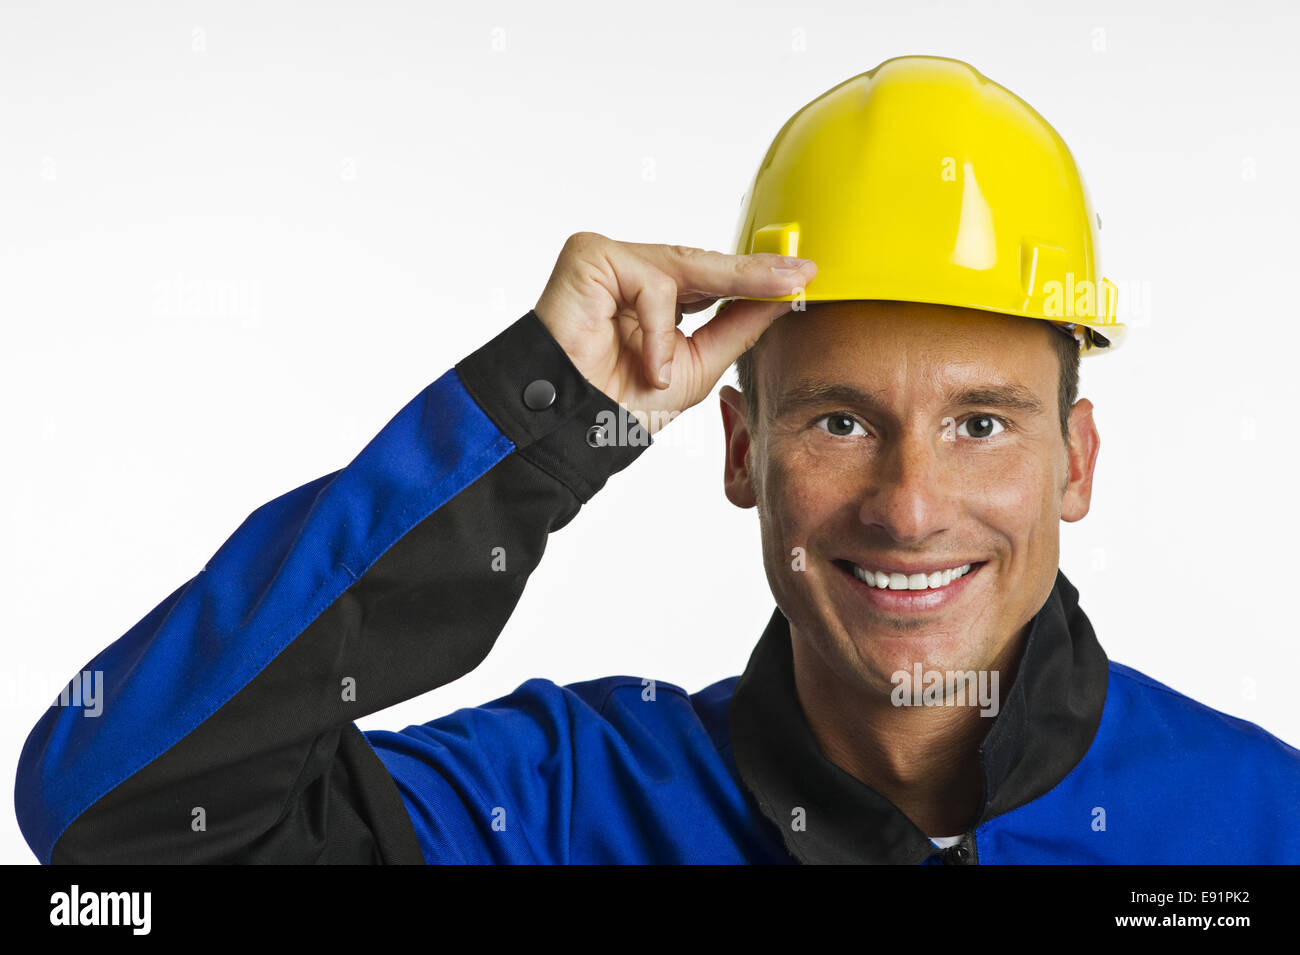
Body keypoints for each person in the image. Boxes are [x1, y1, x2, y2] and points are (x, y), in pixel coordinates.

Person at [16, 57, 1300, 865]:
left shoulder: (1261, 821)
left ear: (1074, 461)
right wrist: (548, 421)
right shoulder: (562, 806)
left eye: (981, 423)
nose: (909, 507)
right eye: (838, 420)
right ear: (740, 449)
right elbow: (109, 822)